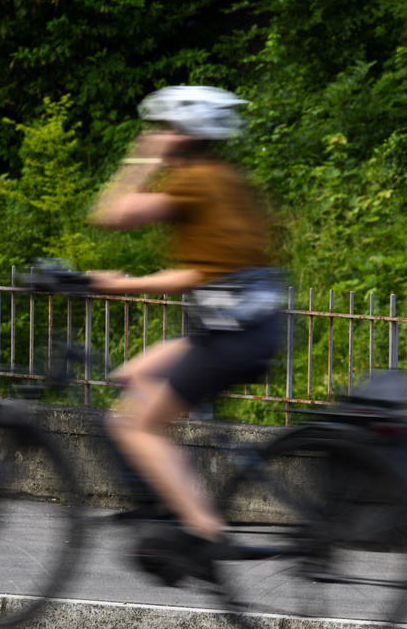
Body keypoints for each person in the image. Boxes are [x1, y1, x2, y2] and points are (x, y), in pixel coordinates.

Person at [86, 85, 281, 584]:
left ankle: (203, 532)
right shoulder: (220, 179)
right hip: (235, 329)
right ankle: (173, 500)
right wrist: (121, 286)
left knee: (134, 427)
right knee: (130, 376)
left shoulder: (198, 180)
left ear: (189, 135)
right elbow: (203, 273)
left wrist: (142, 157)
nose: (159, 136)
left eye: (167, 129)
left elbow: (113, 214)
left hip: (231, 338)